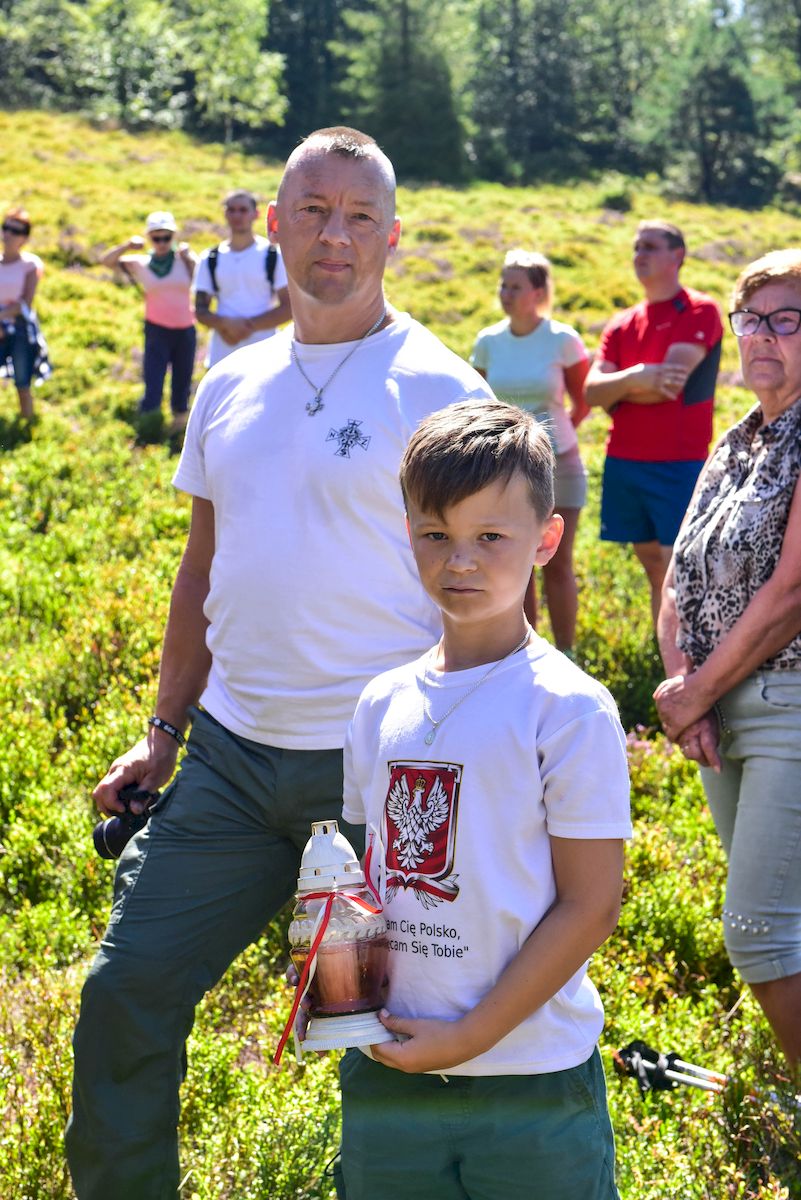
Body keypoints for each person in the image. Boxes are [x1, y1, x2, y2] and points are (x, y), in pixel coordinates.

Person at [65, 127, 494, 1199]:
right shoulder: (231, 385)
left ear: (392, 235)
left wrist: (483, 757)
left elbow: (490, 589)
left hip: (375, 780)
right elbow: (203, 569)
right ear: (272, 226)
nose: (333, 235)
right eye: (313, 210)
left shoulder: (438, 386)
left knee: (377, 1030)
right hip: (228, 765)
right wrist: (162, 733)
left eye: (357, 215)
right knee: (128, 989)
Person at [338, 397, 632, 1200]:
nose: (458, 561)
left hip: (529, 1082)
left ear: (545, 540)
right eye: (435, 535)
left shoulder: (566, 709)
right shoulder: (379, 704)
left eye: (488, 538)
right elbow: (365, 886)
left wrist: (468, 1035)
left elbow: (590, 904)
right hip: (389, 1065)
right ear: (408, 534)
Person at [654, 249, 801, 1068]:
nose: (762, 336)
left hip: (787, 702)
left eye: (787, 320)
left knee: (758, 934)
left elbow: (790, 593)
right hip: (719, 712)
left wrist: (698, 690)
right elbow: (678, 576)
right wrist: (688, 692)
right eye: (752, 320)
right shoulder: (734, 442)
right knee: (786, 919)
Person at [584, 220, 723, 625]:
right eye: (636, 247)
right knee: (649, 560)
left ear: (677, 255)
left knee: (678, 562)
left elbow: (668, 385)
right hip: (624, 459)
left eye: (650, 246)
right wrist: (633, 378)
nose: (639, 255)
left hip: (678, 461)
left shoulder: (699, 309)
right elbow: (592, 393)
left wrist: (619, 389)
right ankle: (664, 645)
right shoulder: (621, 323)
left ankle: (692, 652)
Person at [471, 249, 589, 655]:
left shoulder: (562, 339)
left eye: (515, 286)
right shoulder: (488, 342)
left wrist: (556, 436)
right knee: (518, 564)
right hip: (507, 469)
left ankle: (568, 652)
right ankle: (524, 652)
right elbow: (481, 402)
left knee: (556, 561)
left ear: (538, 292)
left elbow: (583, 398)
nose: (505, 293)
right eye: (503, 284)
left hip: (561, 464)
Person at [101, 212, 197, 433]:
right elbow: (106, 261)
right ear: (149, 238)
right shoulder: (140, 264)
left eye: (166, 238)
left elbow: (201, 281)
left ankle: (179, 426)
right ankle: (149, 425)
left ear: (173, 237)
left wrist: (189, 258)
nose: (162, 243)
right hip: (156, 329)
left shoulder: (185, 260)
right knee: (153, 378)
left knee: (182, 380)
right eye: (156, 238)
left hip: (185, 330)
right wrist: (126, 246)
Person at [194, 189, 291, 368]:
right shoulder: (210, 258)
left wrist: (246, 326)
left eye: (243, 210)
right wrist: (225, 324)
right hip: (221, 357)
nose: (237, 215)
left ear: (256, 214)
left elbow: (288, 307)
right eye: (231, 209)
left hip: (264, 356)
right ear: (225, 213)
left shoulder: (273, 255)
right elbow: (200, 310)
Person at [0, 207, 51, 420]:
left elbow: (24, 304)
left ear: (25, 238)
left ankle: (27, 425)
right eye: (6, 228)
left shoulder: (30, 264)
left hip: (20, 329)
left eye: (16, 230)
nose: (9, 234)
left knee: (22, 381)